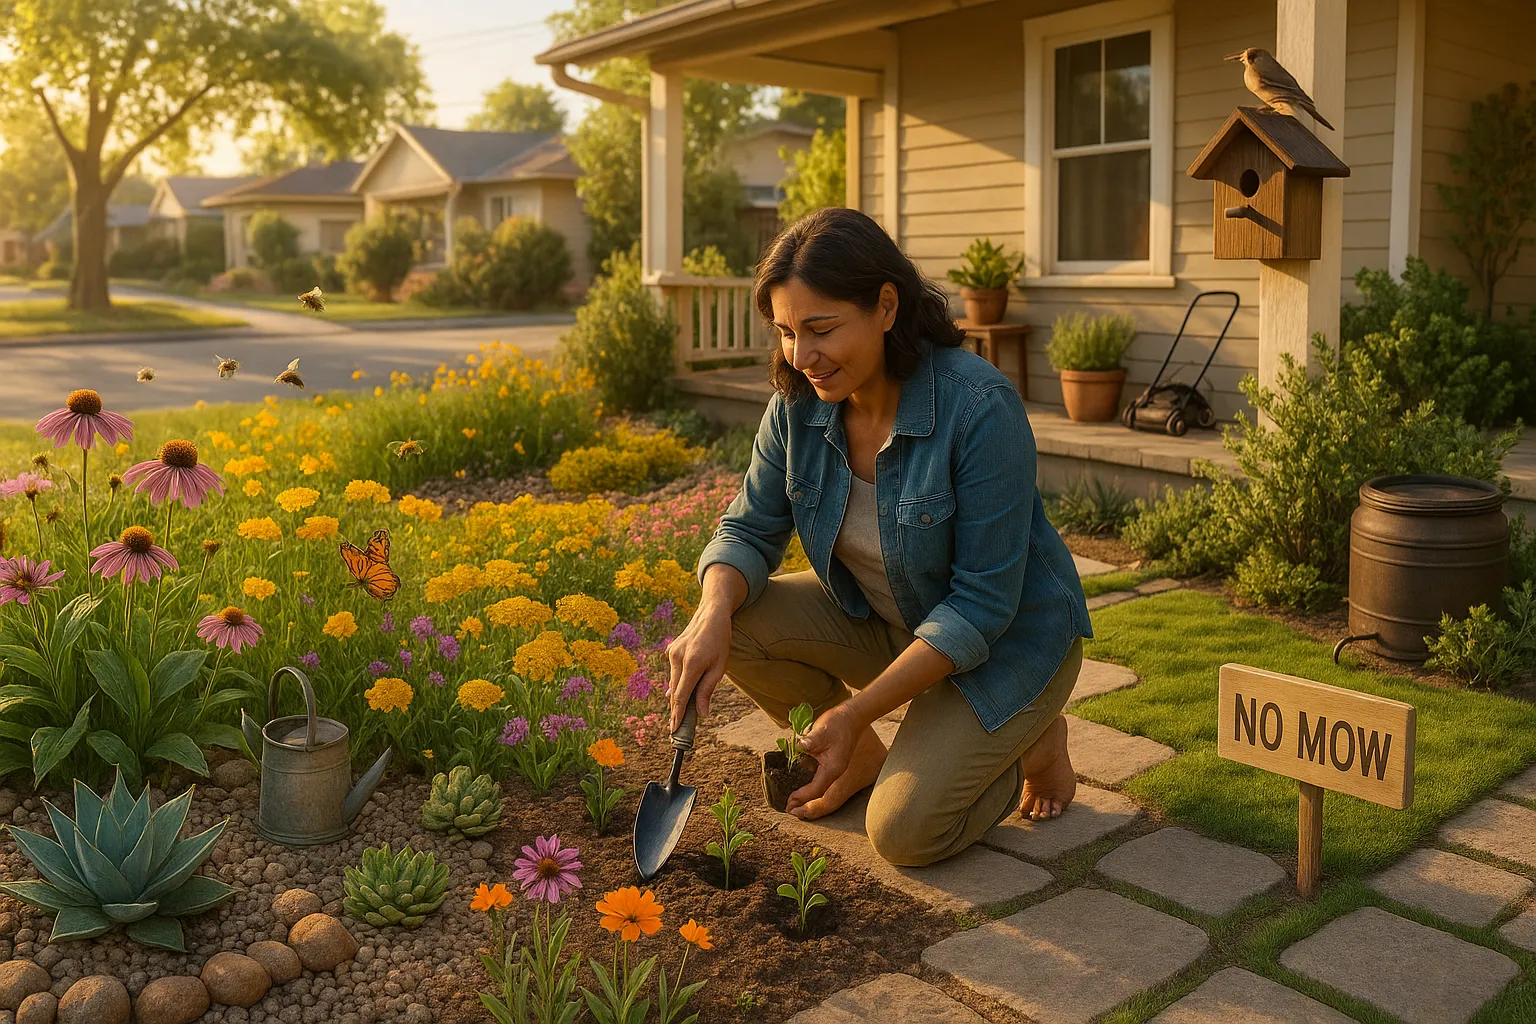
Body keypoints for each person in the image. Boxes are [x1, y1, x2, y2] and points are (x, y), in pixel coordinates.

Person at [664, 207, 1092, 867]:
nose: (801, 356)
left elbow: (981, 607)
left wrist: (858, 707)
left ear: (886, 307)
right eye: (784, 332)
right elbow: (749, 527)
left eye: (821, 329)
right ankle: (858, 759)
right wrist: (711, 611)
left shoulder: (979, 408)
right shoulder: (796, 409)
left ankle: (1028, 739)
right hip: (891, 618)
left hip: (1010, 646)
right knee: (736, 620)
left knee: (904, 836)